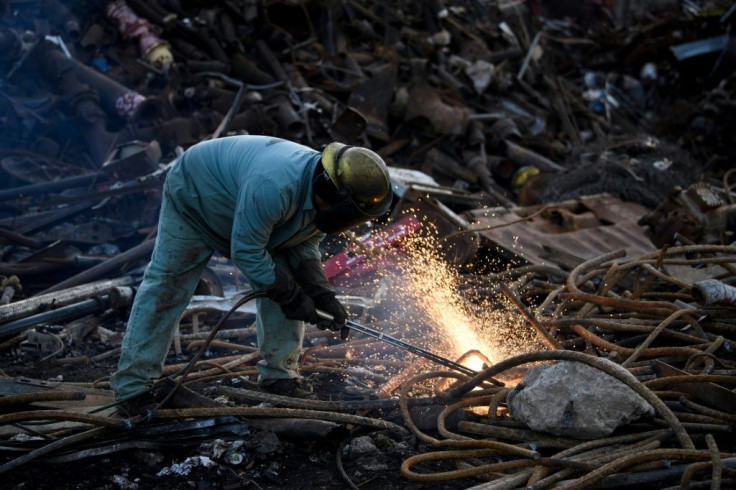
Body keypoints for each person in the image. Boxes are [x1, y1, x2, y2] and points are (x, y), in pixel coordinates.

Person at [110, 135, 393, 414]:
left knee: (285, 280)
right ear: (334, 193)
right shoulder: (276, 187)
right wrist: (292, 296)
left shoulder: (322, 195)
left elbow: (304, 245)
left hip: (247, 207)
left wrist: (322, 294)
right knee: (168, 284)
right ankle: (135, 387)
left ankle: (279, 376)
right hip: (198, 193)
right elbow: (246, 251)